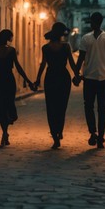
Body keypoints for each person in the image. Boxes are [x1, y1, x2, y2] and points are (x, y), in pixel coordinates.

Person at [72, 12, 105, 149]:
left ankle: (93, 132)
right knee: (102, 109)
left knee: (88, 106)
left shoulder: (86, 39)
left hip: (90, 78)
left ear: (92, 22)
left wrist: (76, 75)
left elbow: (80, 59)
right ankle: (101, 138)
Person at [0, 29, 33, 147]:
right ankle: (5, 132)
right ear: (8, 37)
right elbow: (18, 67)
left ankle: (5, 132)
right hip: (9, 80)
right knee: (7, 105)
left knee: (0, 107)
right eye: (12, 36)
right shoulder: (11, 50)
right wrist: (28, 81)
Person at [32, 21, 76, 149]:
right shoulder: (66, 47)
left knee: (51, 107)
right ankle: (59, 130)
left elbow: (43, 64)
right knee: (62, 107)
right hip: (63, 77)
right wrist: (77, 76)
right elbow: (72, 64)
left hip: (50, 77)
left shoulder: (46, 48)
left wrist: (37, 79)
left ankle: (54, 135)